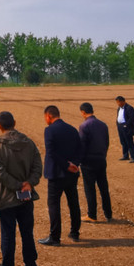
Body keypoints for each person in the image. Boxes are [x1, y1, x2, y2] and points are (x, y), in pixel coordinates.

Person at [0, 111, 42, 266]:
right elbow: (38, 166)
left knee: (8, 233)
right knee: (27, 233)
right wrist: (28, 184)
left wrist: (18, 185)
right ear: (15, 122)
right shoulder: (29, 143)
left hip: (6, 197)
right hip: (26, 196)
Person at [39, 105, 82, 246]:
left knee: (54, 205)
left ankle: (55, 237)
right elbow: (80, 149)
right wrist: (74, 164)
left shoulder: (49, 130)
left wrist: (65, 165)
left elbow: (51, 152)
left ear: (48, 116)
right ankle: (75, 233)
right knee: (73, 203)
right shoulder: (72, 129)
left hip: (56, 174)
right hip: (72, 174)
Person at [78, 103, 112, 223]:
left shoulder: (84, 126)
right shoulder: (103, 125)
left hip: (88, 162)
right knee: (104, 188)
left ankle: (92, 215)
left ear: (83, 112)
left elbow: (82, 146)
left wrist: (80, 161)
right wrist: (103, 155)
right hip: (101, 159)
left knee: (90, 189)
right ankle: (108, 214)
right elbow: (106, 142)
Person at [114, 96, 134, 162]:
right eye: (117, 102)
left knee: (129, 142)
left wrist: (126, 125)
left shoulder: (129, 108)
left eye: (118, 102)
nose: (117, 104)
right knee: (123, 142)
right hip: (120, 127)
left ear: (122, 101)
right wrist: (118, 124)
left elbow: (132, 118)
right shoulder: (119, 108)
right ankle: (125, 155)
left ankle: (133, 157)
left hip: (126, 127)